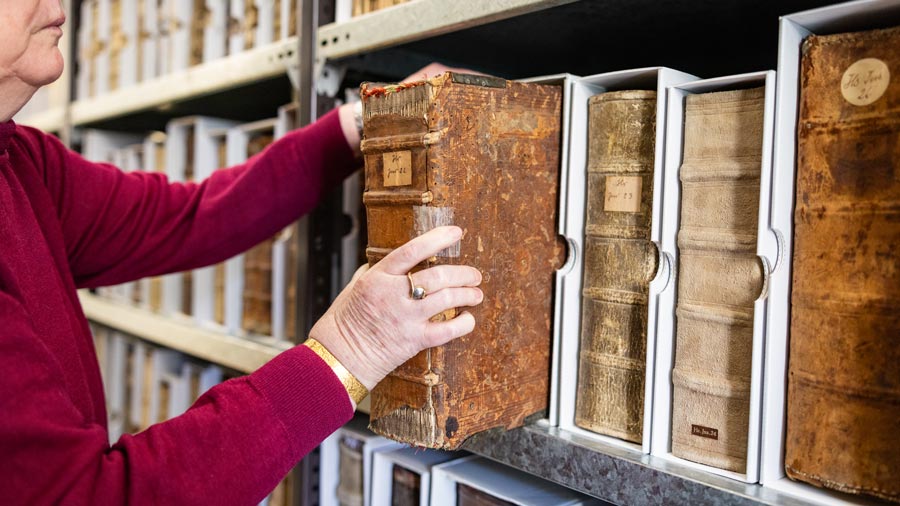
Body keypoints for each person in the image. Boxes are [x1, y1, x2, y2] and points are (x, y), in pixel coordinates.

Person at [0, 2, 483, 504]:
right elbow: (91, 496)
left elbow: (188, 218)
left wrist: (367, 120)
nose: (57, 6)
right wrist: (348, 351)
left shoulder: (19, 160)